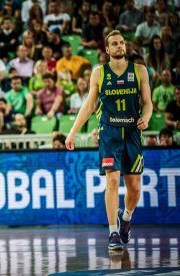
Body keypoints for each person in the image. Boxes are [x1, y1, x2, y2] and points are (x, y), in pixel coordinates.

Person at [65, 30, 153, 251]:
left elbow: (148, 102)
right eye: (114, 43)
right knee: (112, 181)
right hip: (109, 133)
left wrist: (147, 118)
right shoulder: (99, 73)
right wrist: (73, 132)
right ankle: (113, 231)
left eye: (122, 43)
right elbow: (89, 105)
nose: (120, 46)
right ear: (107, 49)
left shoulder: (140, 71)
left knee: (134, 188)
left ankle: (127, 217)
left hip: (132, 132)